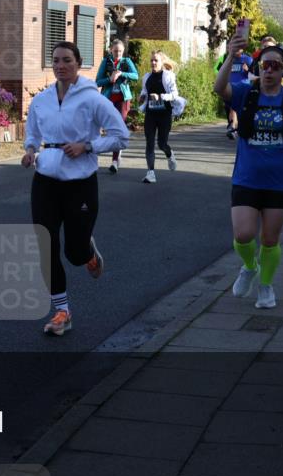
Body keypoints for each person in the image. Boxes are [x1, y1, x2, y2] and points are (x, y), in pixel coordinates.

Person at [22, 41, 128, 336]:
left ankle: (88, 253)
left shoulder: (93, 99)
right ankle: (62, 312)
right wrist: (30, 151)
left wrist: (88, 146)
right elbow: (33, 134)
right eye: (56, 60)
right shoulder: (42, 100)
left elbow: (121, 136)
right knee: (46, 245)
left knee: (75, 253)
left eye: (67, 60)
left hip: (80, 183)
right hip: (45, 180)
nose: (60, 66)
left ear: (78, 64)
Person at [214, 34, 283, 309]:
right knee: (243, 235)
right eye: (265, 65)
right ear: (259, 68)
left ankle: (265, 287)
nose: (269, 70)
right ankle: (250, 266)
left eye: (275, 66)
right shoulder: (247, 93)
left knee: (269, 239)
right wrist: (231, 56)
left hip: (280, 180)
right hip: (247, 177)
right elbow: (219, 88)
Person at [138, 51, 184, 183]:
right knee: (149, 143)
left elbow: (175, 94)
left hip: (164, 115)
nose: (153, 63)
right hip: (151, 114)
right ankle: (150, 173)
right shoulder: (147, 77)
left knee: (162, 144)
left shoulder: (168, 76)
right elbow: (144, 91)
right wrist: (142, 97)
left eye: (156, 60)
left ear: (161, 62)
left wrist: (161, 97)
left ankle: (169, 154)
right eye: (151, 60)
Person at [95, 39, 139, 170]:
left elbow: (136, 76)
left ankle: (114, 161)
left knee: (117, 129)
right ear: (111, 50)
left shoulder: (126, 61)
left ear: (123, 51)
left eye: (120, 51)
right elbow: (97, 81)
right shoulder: (106, 62)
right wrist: (109, 79)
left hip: (123, 100)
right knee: (110, 128)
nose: (117, 53)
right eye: (115, 51)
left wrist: (122, 73)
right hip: (109, 99)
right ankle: (116, 149)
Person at [221, 45, 253, 138]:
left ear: (242, 49)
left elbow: (254, 74)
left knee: (238, 109)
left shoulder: (247, 59)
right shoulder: (228, 59)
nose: (236, 50)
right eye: (234, 48)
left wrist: (247, 70)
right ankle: (233, 127)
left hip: (243, 87)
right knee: (232, 108)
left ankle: (235, 127)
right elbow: (221, 72)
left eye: (238, 48)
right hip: (230, 87)